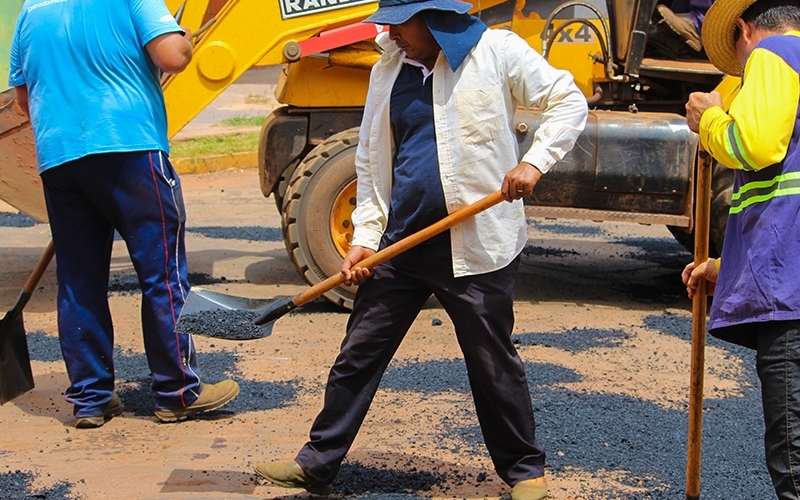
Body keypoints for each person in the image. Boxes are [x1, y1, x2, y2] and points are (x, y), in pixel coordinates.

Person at [254, 0, 588, 498]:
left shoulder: (496, 52)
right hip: (400, 247)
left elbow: (569, 101)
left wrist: (535, 162)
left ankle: (524, 471)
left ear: (434, 18)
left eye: (400, 20)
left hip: (476, 249)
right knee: (358, 355)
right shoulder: (388, 69)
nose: (390, 30)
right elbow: (370, 161)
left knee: (492, 361)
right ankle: (317, 463)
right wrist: (365, 238)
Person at [8, 0, 239, 428]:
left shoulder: (31, 10)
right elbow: (173, 57)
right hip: (128, 147)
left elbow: (24, 100)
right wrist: (185, 38)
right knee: (162, 274)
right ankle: (177, 391)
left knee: (79, 280)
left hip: (60, 158)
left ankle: (91, 399)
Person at [682, 0, 800, 496]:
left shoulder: (773, 53)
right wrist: (725, 267)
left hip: (791, 300)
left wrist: (710, 120)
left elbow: (754, 144)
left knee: (793, 454)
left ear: (743, 29)